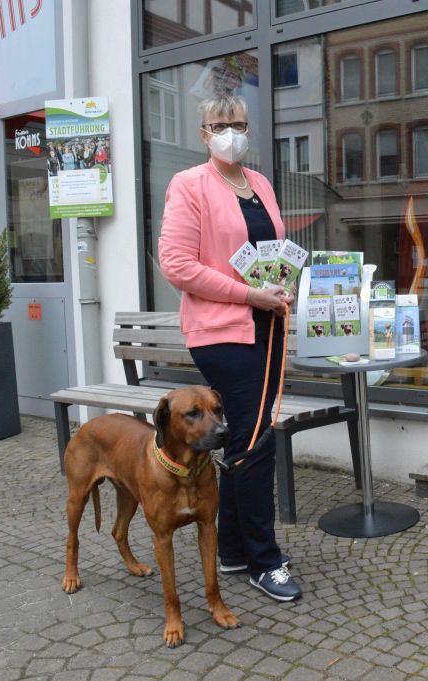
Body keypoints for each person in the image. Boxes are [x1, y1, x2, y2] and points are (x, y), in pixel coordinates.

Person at [159, 94, 301, 602]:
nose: (231, 132)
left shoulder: (259, 183)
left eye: (238, 123)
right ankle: (265, 560)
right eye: (220, 125)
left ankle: (237, 550)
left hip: (264, 326)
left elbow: (272, 254)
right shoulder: (189, 184)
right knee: (256, 445)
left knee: (246, 438)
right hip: (223, 331)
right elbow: (176, 264)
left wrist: (278, 289)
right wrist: (248, 294)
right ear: (203, 133)